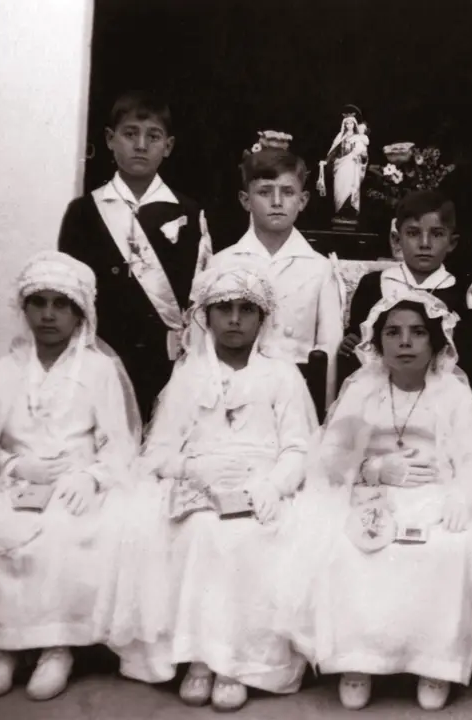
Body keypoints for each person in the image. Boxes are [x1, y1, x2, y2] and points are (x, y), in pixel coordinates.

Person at [0, 252, 142, 701]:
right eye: (39, 303)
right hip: (16, 478)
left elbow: (119, 442)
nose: (50, 314)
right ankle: (5, 645)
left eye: (61, 304)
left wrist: (92, 477)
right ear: (25, 310)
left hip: (76, 478)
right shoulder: (2, 371)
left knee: (65, 529)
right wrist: (15, 466)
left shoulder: (97, 371)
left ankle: (57, 646)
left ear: (80, 314)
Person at [277, 289, 472, 712]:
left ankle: (434, 662)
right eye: (393, 332)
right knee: (349, 548)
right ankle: (358, 660)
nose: (405, 342)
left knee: (448, 547)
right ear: (378, 340)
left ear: (436, 342)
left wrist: (462, 496)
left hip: (436, 492)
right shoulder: (362, 391)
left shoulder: (452, 393)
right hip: (371, 492)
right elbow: (332, 457)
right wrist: (373, 468)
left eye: (417, 333)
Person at [107, 255, 318, 712]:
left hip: (260, 484)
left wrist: (274, 486)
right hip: (198, 484)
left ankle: (238, 663)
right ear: (206, 316)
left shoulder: (282, 376)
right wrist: (191, 470)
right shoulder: (188, 377)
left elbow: (298, 449)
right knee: (199, 533)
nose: (236, 320)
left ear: (263, 318)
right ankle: (199, 658)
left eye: (247, 310)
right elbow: (159, 451)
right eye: (225, 309)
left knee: (250, 537)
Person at [58, 90, 213, 424]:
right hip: (103, 359)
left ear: (168, 146)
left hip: (168, 362)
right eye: (130, 134)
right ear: (110, 140)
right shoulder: (84, 212)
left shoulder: (188, 211)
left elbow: (199, 294)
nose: (141, 145)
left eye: (153, 136)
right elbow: (69, 296)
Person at [214, 148, 343, 408]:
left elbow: (330, 348)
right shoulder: (222, 263)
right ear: (245, 200)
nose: (276, 202)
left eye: (287, 192)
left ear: (303, 200)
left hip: (299, 397)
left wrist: (323, 412)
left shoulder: (319, 268)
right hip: (235, 395)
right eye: (264, 192)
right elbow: (206, 345)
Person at [340, 189, 472, 387]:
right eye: (413, 233)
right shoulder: (374, 285)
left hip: (443, 394)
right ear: (397, 240)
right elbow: (357, 341)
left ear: (452, 243)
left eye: (437, 234)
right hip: (380, 389)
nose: (425, 244)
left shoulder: (462, 292)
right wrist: (350, 343)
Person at [318, 106, 371, 220]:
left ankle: (349, 212)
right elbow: (333, 152)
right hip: (340, 167)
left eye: (351, 123)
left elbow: (363, 156)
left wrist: (362, 156)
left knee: (350, 189)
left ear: (354, 124)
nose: (349, 126)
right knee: (339, 190)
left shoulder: (358, 138)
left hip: (352, 167)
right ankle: (340, 211)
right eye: (346, 124)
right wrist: (326, 162)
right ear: (344, 125)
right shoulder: (340, 137)